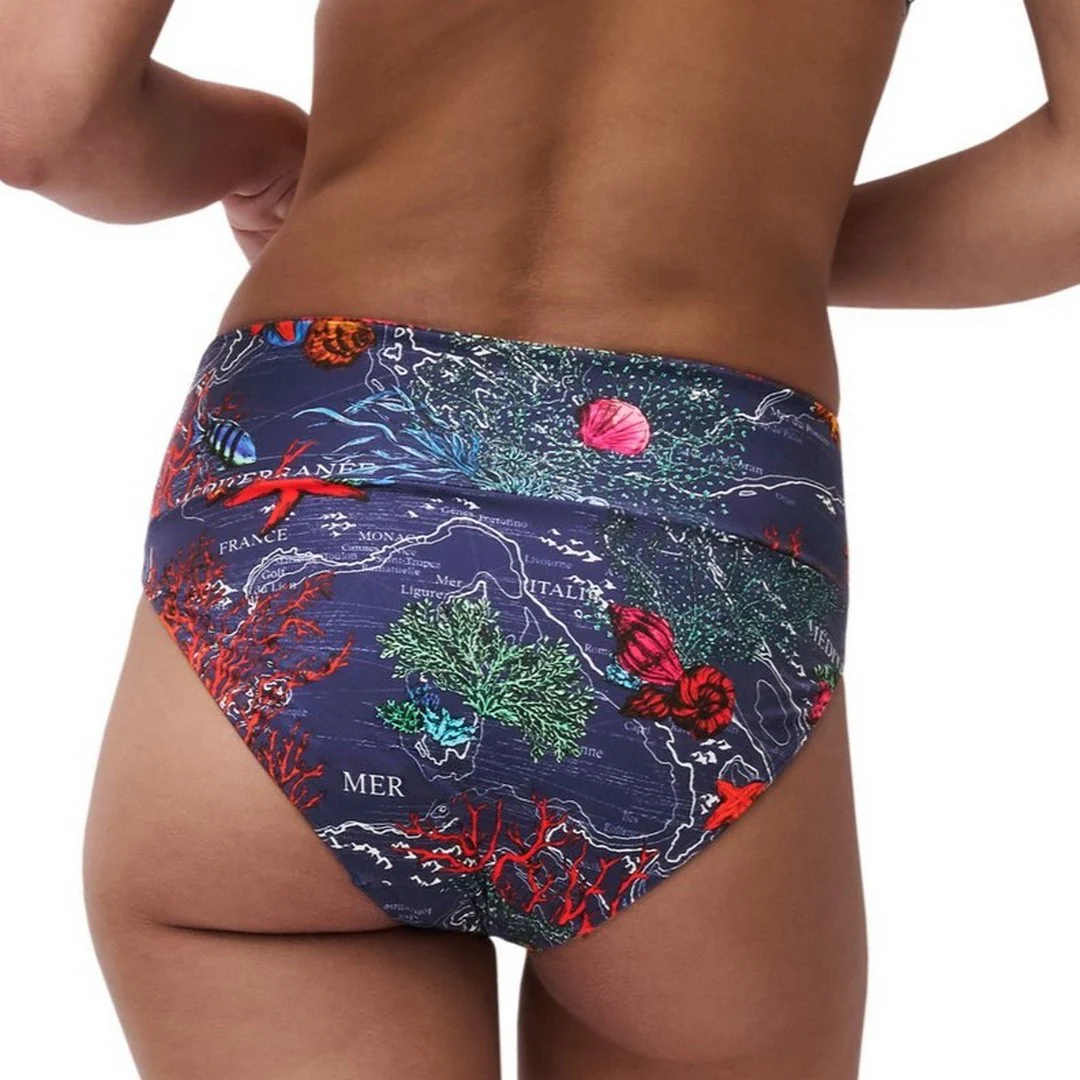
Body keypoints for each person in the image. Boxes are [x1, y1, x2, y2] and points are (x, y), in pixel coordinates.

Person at [1, 2, 1076, 1078]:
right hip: (692, 534)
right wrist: (771, 237)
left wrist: (265, 150)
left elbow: (44, 113)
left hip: (321, 475)